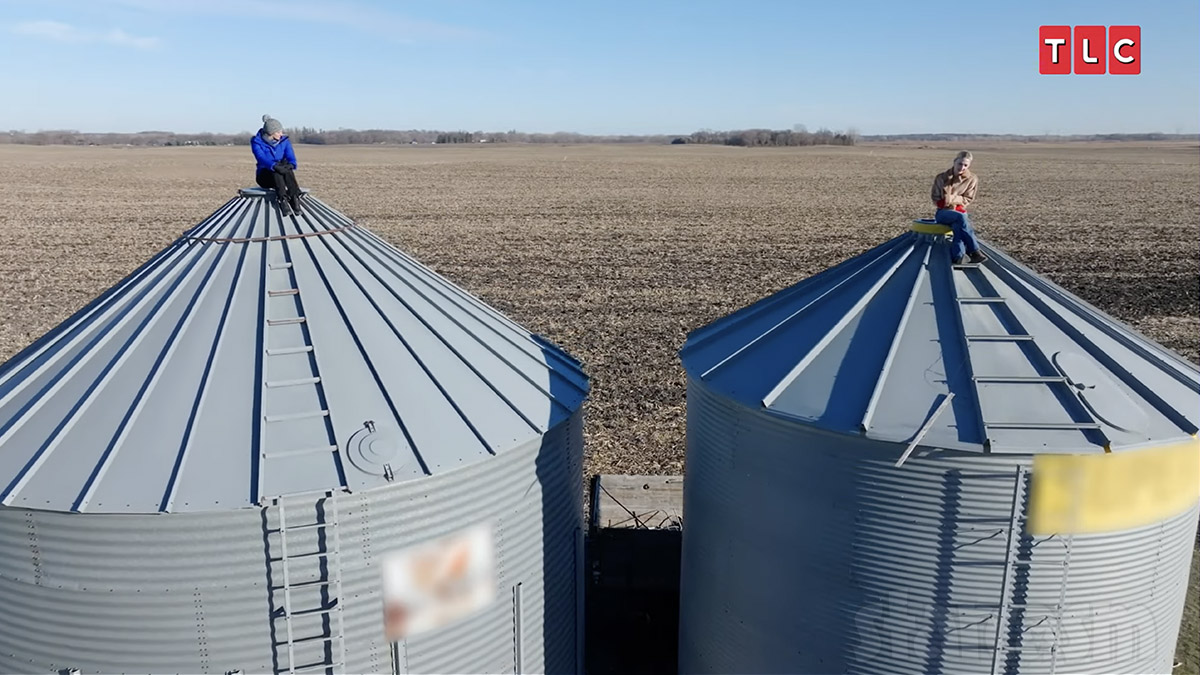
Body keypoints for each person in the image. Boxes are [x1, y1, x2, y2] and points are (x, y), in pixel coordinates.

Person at [931, 150, 986, 264]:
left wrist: (950, 199)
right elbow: (936, 199)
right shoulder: (941, 178)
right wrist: (952, 201)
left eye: (965, 165)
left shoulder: (972, 179)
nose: (962, 167)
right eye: (960, 164)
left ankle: (958, 256)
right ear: (954, 162)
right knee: (961, 218)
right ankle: (974, 251)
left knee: (958, 225)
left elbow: (968, 199)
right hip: (943, 213)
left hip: (960, 211)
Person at [251, 114, 304, 216]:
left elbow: (290, 156)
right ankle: (282, 199)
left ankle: (294, 198)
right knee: (276, 169)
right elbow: (261, 158)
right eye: (278, 132)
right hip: (265, 176)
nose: (281, 134)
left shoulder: (284, 141)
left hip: (283, 175)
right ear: (271, 133)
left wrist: (291, 164)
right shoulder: (256, 142)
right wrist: (274, 166)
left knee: (285, 166)